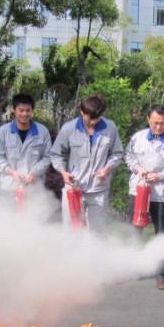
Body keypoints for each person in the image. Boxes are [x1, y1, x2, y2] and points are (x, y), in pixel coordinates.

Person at [125, 104, 164, 290]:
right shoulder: (138, 138)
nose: (159, 127)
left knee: (162, 234)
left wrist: (160, 176)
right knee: (134, 230)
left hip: (162, 194)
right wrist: (138, 169)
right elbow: (129, 156)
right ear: (148, 120)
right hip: (138, 191)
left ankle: (161, 274)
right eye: (155, 123)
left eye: (163, 123)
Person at [50, 94, 124, 234]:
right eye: (90, 118)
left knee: (97, 232)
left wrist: (107, 168)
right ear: (82, 111)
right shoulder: (68, 129)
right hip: (73, 188)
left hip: (98, 190)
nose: (94, 122)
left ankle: (93, 256)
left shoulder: (110, 128)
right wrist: (63, 172)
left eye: (97, 118)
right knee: (71, 230)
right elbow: (56, 154)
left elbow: (117, 153)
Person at [0, 93, 53, 194]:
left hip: (34, 188)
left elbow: (48, 157)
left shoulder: (43, 132)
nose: (24, 114)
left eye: (28, 110)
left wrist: (34, 172)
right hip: (9, 187)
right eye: (21, 110)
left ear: (32, 111)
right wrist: (12, 172)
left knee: (36, 210)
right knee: (5, 210)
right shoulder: (2, 132)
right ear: (14, 110)